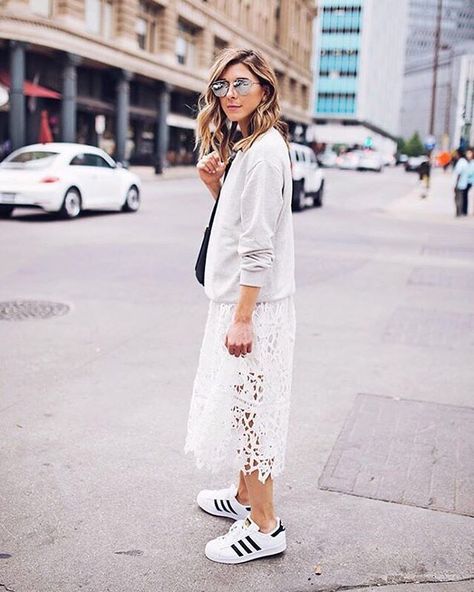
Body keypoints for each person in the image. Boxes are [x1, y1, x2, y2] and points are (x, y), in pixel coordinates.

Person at [184, 48, 296, 564]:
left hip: (254, 306)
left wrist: (244, 317)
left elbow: (259, 247)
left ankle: (266, 525)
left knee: (254, 412)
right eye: (222, 87)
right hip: (243, 301)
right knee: (243, 405)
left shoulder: (266, 150)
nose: (230, 96)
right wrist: (216, 186)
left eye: (242, 85)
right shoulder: (248, 146)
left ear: (265, 90)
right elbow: (240, 226)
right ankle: (245, 496)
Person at [453, 148, 469, 217]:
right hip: (464, 183)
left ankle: (458, 212)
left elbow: (459, 173)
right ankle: (461, 211)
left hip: (459, 183)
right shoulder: (465, 161)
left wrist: (456, 183)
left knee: (458, 198)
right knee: (462, 197)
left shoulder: (461, 162)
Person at [465, 148, 473, 215]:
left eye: (470, 153)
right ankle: (465, 211)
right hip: (466, 182)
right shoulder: (466, 162)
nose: (468, 155)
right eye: (467, 153)